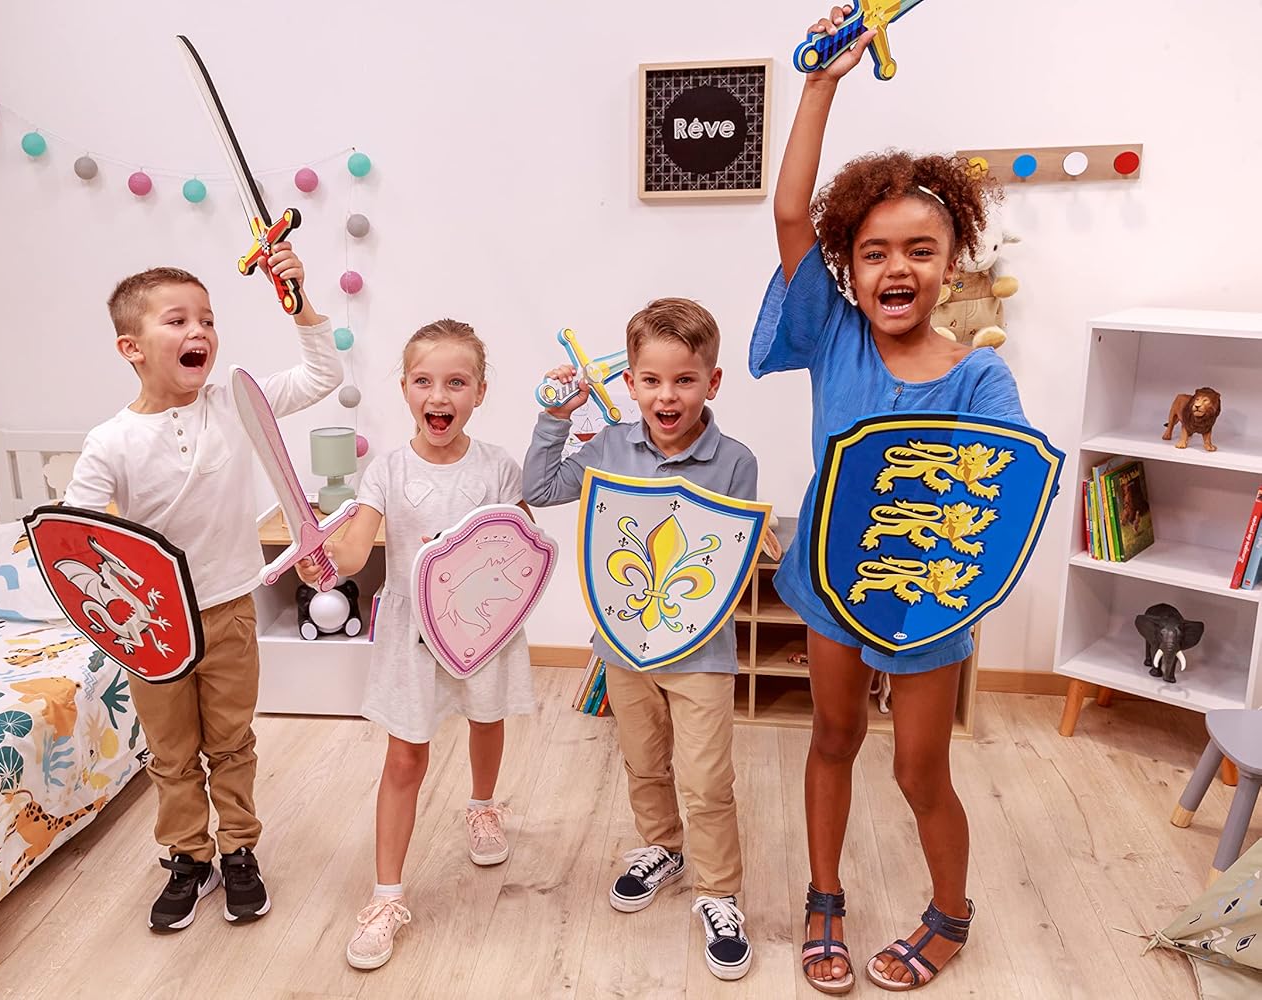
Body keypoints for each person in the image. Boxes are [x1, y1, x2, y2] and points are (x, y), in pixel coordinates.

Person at [753, 6, 1025, 991]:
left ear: (951, 263)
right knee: (832, 736)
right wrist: (820, 84)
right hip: (832, 580)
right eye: (874, 251)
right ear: (849, 268)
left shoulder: (979, 378)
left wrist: (946, 582)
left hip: (926, 598)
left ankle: (951, 912)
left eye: (918, 249)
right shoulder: (834, 335)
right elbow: (791, 211)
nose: (896, 266)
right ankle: (823, 897)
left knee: (919, 770)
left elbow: (1003, 502)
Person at [63, 246, 342, 931]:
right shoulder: (110, 441)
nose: (200, 332)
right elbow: (76, 536)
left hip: (228, 612)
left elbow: (323, 374)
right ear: (131, 347)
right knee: (171, 754)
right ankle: (188, 857)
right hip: (151, 629)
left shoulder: (237, 404)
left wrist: (296, 295)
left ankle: (239, 848)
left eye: (208, 320)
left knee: (232, 743)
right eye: (178, 320)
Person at [524, 297, 760, 982]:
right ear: (628, 382)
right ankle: (663, 847)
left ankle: (719, 892)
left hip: (702, 650)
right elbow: (540, 486)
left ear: (712, 382)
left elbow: (727, 559)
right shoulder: (608, 448)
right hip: (624, 644)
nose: (667, 395)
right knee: (644, 761)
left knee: (707, 778)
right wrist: (555, 418)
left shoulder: (735, 461)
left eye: (684, 380)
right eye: (651, 380)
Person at [297, 319, 534, 971]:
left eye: (456, 382)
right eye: (424, 381)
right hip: (413, 633)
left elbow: (521, 545)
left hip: (481, 625)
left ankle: (482, 807)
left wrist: (476, 551)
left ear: (480, 392)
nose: (439, 395)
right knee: (405, 757)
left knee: (487, 718)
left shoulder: (497, 466)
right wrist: (323, 563)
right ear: (404, 388)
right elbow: (353, 550)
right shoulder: (387, 470)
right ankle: (386, 896)